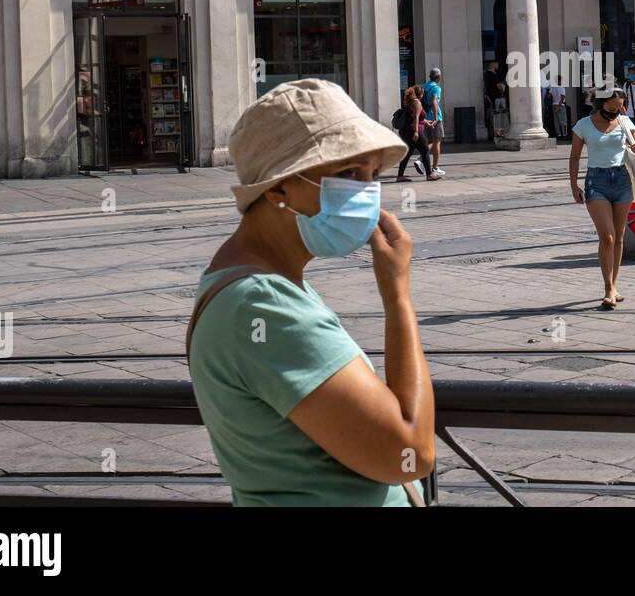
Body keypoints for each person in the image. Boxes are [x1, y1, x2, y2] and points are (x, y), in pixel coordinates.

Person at [189, 79, 434, 506]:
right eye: (348, 174)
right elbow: (410, 454)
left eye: (371, 175)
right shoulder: (260, 303)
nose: (366, 194)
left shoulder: (251, 282)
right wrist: (398, 297)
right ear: (279, 186)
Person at [569, 87, 635, 309]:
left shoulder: (625, 122)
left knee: (619, 236)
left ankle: (614, 285)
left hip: (622, 180)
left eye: (619, 106)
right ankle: (607, 288)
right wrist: (573, 185)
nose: (616, 111)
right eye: (611, 107)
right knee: (608, 237)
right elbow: (574, 157)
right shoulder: (583, 124)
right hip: (596, 182)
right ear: (601, 103)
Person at [395, 86, 438, 183]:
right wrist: (416, 132)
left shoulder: (410, 102)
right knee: (425, 150)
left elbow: (418, 118)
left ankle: (400, 176)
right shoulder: (417, 102)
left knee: (408, 153)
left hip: (405, 131)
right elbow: (416, 117)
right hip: (413, 131)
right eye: (423, 94)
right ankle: (429, 174)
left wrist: (427, 123)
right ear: (421, 94)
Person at [420, 69, 445, 177]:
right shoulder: (436, 88)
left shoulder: (424, 86)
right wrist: (435, 118)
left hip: (425, 118)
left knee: (429, 141)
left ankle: (421, 160)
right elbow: (434, 102)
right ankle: (434, 167)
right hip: (435, 118)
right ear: (438, 77)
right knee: (437, 142)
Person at [482, 60, 506, 138]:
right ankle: (499, 132)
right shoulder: (492, 75)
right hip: (496, 98)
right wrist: (503, 88)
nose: (498, 66)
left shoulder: (486, 75)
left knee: (494, 117)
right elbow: (499, 87)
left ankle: (494, 132)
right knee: (499, 116)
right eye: (497, 64)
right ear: (493, 65)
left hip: (491, 98)